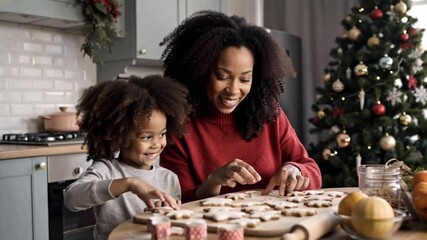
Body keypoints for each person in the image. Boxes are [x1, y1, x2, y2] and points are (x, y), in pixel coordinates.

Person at [159, 10, 322, 203]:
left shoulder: (269, 113)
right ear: (201, 71)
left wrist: (296, 169)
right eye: (222, 76)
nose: (233, 90)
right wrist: (212, 182)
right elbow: (179, 201)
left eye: (245, 79)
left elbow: (312, 171)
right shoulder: (179, 127)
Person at [64, 75, 191, 240]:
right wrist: (130, 184)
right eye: (146, 137)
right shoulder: (106, 170)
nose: (157, 144)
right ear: (121, 137)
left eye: (162, 134)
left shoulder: (169, 178)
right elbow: (71, 198)